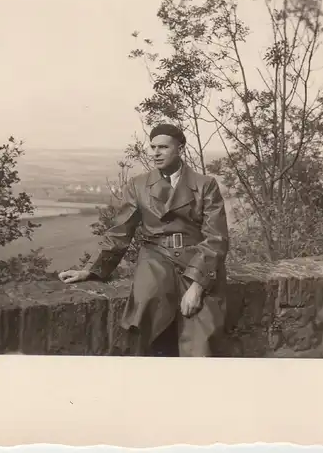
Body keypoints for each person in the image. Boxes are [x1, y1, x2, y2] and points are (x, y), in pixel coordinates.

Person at [59, 123, 229, 357]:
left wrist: (198, 286)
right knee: (143, 320)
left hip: (197, 262)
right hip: (155, 258)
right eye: (153, 147)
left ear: (180, 148)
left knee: (203, 337)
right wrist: (91, 270)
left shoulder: (204, 184)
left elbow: (216, 238)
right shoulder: (138, 185)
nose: (155, 153)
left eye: (163, 147)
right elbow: (121, 231)